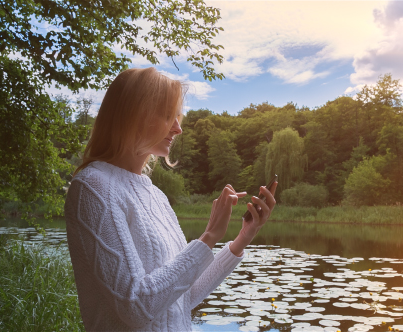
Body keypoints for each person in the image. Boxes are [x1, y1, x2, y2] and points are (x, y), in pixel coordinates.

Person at [64, 67, 277, 331]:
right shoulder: (93, 187)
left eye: (177, 117)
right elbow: (136, 307)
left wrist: (242, 238)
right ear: (133, 115)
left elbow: (182, 297)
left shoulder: (156, 195)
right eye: (167, 116)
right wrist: (208, 235)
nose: (178, 128)